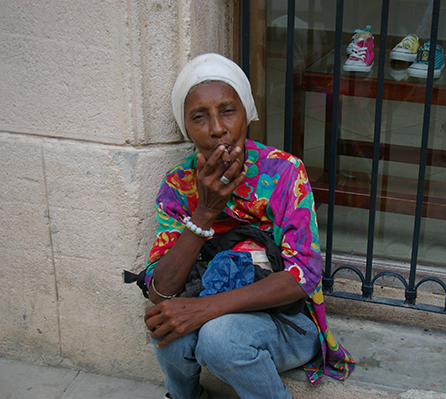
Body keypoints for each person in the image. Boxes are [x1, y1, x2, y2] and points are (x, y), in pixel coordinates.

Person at [141, 53, 354, 399]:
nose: (217, 129)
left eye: (228, 111)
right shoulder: (178, 185)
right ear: (186, 127)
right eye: (199, 117)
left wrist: (208, 308)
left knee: (220, 338)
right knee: (167, 330)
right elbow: (160, 290)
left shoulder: (284, 172)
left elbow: (304, 275)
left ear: (247, 113)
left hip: (286, 322)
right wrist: (206, 211)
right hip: (209, 305)